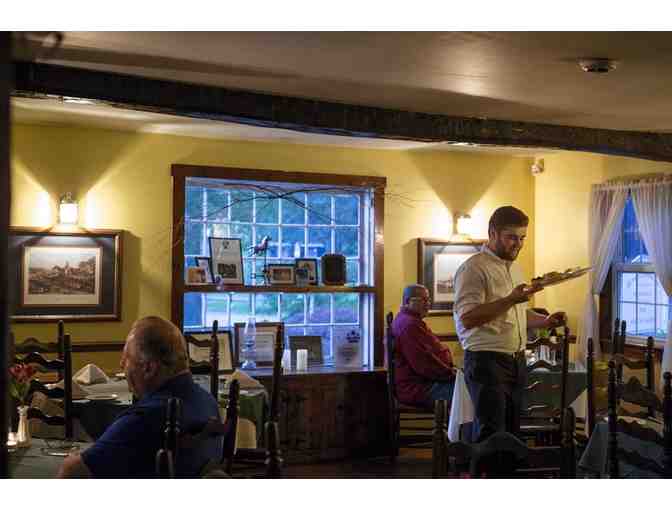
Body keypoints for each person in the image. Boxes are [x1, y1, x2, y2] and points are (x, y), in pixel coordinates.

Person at [57, 316, 221, 478]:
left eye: (126, 358)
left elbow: (72, 472)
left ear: (149, 368)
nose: (121, 364)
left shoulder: (144, 419)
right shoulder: (209, 403)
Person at [453, 206, 566, 442]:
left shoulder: (515, 269)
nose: (518, 244)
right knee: (492, 435)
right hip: (486, 361)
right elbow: (468, 318)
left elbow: (515, 313)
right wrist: (511, 299)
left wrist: (546, 321)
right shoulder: (473, 268)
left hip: (516, 361)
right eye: (511, 237)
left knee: (512, 434)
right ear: (492, 233)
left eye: (522, 238)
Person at [391, 284, 456, 409]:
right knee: (470, 392)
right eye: (423, 300)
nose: (428, 304)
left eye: (429, 300)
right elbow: (425, 364)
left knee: (469, 386)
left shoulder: (408, 321)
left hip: (423, 383)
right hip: (418, 388)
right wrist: (451, 374)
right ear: (407, 302)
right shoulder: (409, 325)